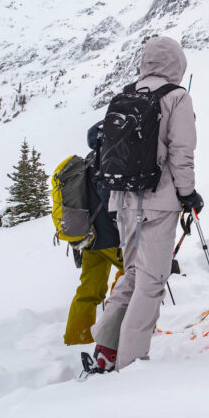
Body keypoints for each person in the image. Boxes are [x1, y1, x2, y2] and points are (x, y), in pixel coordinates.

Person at [88, 36, 203, 372]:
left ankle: (106, 349)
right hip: (157, 201)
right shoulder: (177, 97)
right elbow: (181, 152)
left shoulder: (125, 96)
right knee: (152, 279)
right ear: (176, 64)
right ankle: (131, 360)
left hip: (121, 201)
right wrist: (188, 194)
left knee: (134, 273)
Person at [63, 121, 125, 345]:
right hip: (110, 239)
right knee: (135, 278)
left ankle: (78, 336)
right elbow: (112, 205)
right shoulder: (108, 163)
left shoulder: (88, 162)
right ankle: (128, 327)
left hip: (89, 239)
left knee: (89, 289)